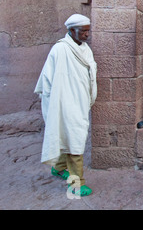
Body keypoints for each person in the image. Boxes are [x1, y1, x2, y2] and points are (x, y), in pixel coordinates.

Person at [34, 14, 97, 197]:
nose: (87, 34)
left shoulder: (85, 50)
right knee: (74, 141)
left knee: (67, 136)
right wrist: (55, 104)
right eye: (83, 31)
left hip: (79, 102)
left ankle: (60, 168)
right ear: (71, 31)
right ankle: (76, 184)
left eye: (88, 30)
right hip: (64, 104)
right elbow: (47, 80)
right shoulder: (59, 49)